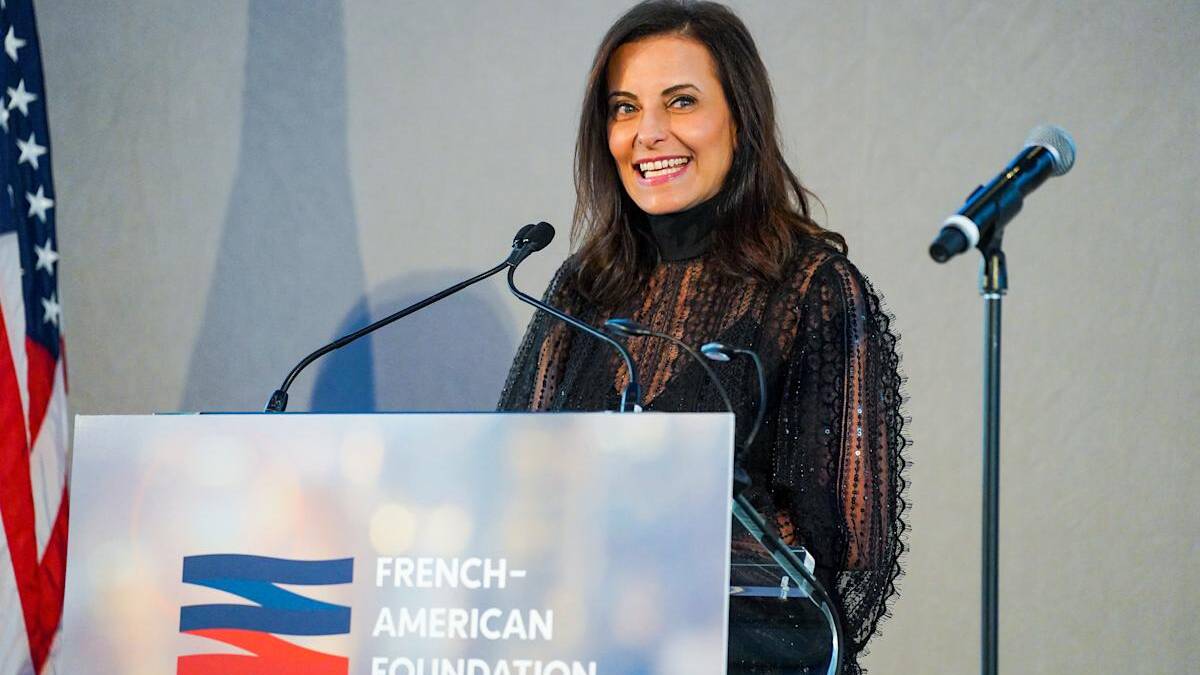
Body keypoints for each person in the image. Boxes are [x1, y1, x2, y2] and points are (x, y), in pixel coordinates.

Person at [498, 1, 908, 672]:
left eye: (681, 102)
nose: (648, 133)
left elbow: (848, 558)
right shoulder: (584, 287)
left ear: (740, 120)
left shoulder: (811, 288)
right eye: (625, 108)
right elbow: (509, 488)